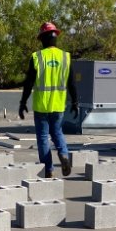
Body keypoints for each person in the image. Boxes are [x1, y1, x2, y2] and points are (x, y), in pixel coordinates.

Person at [18, 22, 78, 178]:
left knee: (43, 138)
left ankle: (48, 169)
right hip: (58, 105)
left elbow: (29, 83)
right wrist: (76, 102)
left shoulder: (37, 57)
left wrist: (23, 102)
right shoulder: (65, 57)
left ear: (42, 39)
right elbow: (71, 83)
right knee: (57, 132)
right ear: (55, 37)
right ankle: (64, 155)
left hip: (41, 106)